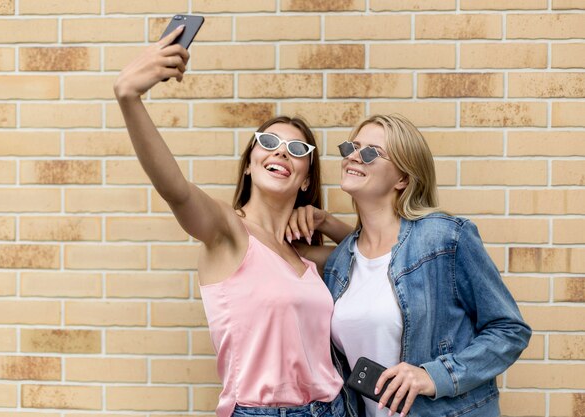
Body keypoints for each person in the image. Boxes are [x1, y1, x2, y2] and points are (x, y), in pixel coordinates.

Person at [113, 26, 346, 417]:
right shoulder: (228, 232)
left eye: (297, 149)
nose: (281, 153)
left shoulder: (304, 257)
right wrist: (128, 97)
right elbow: (176, 189)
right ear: (251, 165)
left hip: (333, 408)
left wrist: (327, 220)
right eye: (268, 143)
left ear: (307, 177)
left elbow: (379, 253)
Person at [287, 114, 531, 417]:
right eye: (352, 146)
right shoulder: (340, 263)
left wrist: (433, 376)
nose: (353, 156)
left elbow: (509, 330)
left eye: (370, 152)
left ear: (402, 178)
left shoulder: (444, 239)